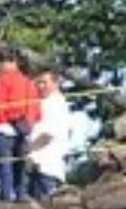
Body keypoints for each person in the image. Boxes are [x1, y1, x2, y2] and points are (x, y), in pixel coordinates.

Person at [0, 46, 40, 203]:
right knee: (20, 166)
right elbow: (37, 111)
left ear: (3, 63)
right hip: (23, 130)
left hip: (4, 129)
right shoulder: (29, 83)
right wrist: (27, 124)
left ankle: (6, 197)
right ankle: (20, 195)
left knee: (4, 166)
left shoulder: (2, 80)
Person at [20, 71, 88, 201]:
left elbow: (48, 134)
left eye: (44, 82)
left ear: (56, 83)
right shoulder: (46, 102)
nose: (40, 86)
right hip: (40, 166)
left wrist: (28, 148)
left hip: (46, 167)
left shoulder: (55, 103)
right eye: (38, 82)